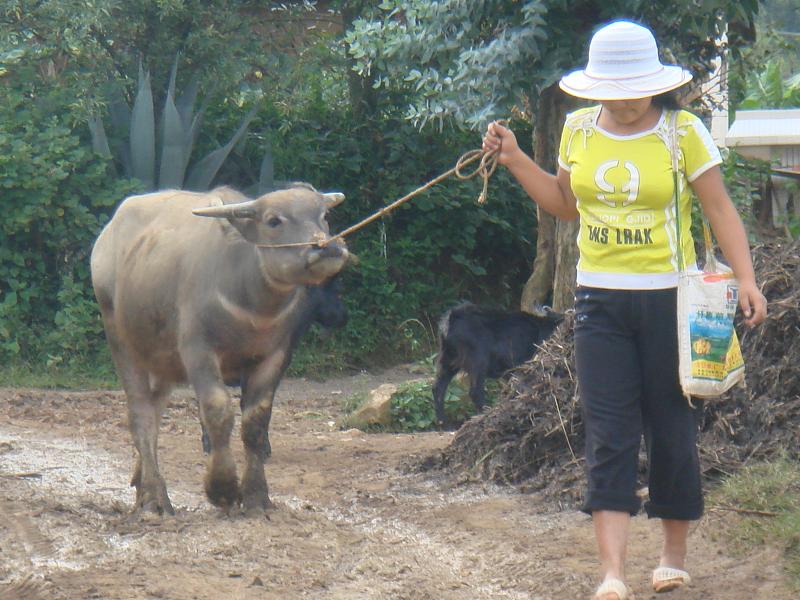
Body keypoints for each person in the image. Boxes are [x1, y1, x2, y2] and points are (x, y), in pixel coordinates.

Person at [482, 20, 767, 600]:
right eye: (612, 88)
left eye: (634, 88)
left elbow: (719, 207)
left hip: (672, 301)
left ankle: (672, 556)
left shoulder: (682, 132)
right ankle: (612, 572)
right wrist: (513, 159)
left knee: (671, 430)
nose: (623, 99)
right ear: (594, 88)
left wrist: (746, 278)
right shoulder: (578, 130)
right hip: (599, 304)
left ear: (655, 84)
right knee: (609, 434)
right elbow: (564, 205)